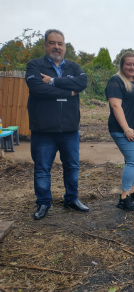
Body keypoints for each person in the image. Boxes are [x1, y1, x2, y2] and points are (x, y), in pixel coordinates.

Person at [25, 29, 88, 220]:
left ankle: (71, 198)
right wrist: (67, 91)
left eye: (60, 44)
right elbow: (37, 89)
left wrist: (52, 81)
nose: (56, 47)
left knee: (72, 167)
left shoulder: (74, 67)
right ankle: (43, 203)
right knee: (43, 169)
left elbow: (82, 83)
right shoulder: (35, 65)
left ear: (65, 47)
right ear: (45, 45)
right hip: (43, 130)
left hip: (70, 129)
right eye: (52, 43)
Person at [105, 52, 134, 211]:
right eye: (128, 64)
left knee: (132, 163)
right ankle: (124, 198)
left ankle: (131, 191)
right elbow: (116, 107)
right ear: (122, 65)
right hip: (126, 131)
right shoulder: (116, 81)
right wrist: (126, 129)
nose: (132, 67)